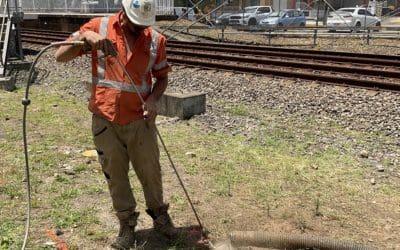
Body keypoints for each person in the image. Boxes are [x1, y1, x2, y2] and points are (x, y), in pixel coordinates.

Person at [55, 0, 177, 249]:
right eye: (136, 23)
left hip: (140, 120)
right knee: (116, 175)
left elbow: (161, 77)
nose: (140, 28)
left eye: (145, 24)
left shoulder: (155, 40)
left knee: (151, 172)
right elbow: (60, 56)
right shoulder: (98, 27)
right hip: (105, 118)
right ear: (124, 13)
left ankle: (160, 216)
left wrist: (153, 99)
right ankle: (126, 226)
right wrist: (84, 37)